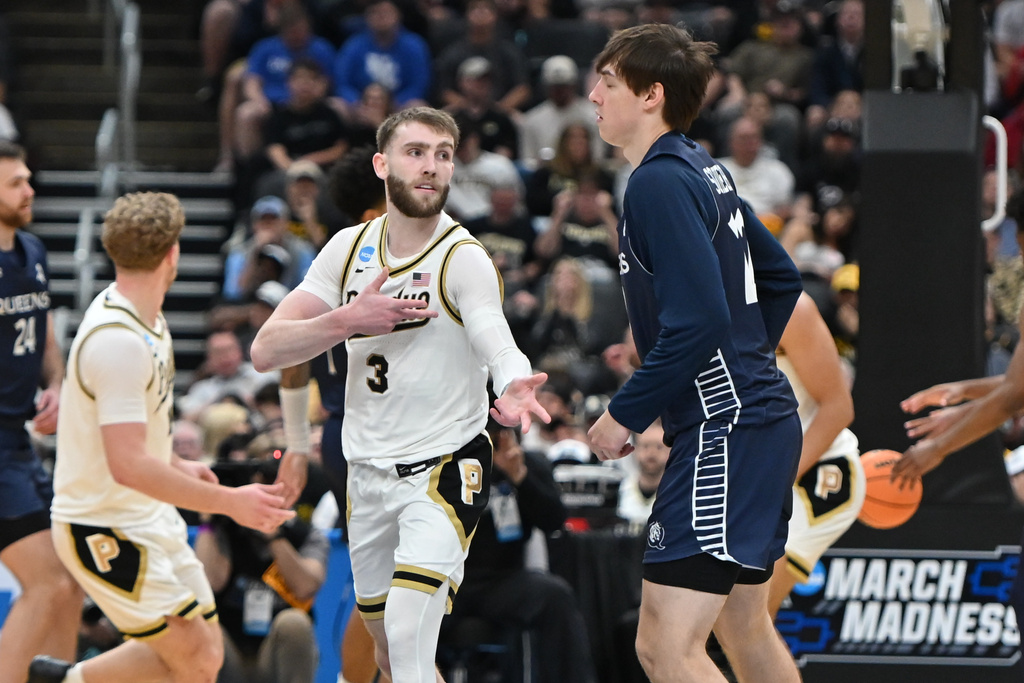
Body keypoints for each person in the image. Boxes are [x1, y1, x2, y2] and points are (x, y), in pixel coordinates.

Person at [250, 107, 550, 683]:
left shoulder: (463, 256)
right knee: (389, 654)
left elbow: (494, 332)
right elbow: (267, 351)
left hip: (443, 467)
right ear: (382, 164)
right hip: (366, 471)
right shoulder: (347, 249)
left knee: (409, 638)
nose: (431, 166)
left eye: (443, 154)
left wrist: (514, 379)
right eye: (416, 152)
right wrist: (347, 319)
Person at [584, 24, 804, 683]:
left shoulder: (657, 183)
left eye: (608, 82)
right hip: (755, 418)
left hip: (724, 429)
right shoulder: (703, 168)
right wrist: (745, 362)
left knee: (665, 647)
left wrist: (624, 412)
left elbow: (704, 317)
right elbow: (780, 277)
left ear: (651, 95)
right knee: (743, 627)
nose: (593, 95)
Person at [28, 192, 295, 683]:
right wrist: (229, 502)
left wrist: (175, 463)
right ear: (173, 253)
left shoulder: (148, 319)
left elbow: (136, 437)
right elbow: (128, 465)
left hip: (144, 514)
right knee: (192, 656)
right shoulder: (118, 341)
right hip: (102, 525)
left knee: (203, 658)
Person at [0, 140, 83, 683]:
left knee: (72, 583)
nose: (30, 190)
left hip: (20, 441)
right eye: (15, 183)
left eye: (28, 179)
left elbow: (44, 334)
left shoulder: (32, 249)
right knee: (49, 582)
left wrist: (55, 384)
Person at [440, 415, 597, 683]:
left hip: (504, 580)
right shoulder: (449, 465)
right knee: (406, 603)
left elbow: (554, 521)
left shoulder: (529, 464)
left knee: (556, 597)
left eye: (504, 436)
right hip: (451, 580)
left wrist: (519, 477)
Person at [767, 292, 863, 617]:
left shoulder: (789, 307)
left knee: (744, 620)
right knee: (721, 623)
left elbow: (839, 409)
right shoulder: (696, 301)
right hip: (756, 476)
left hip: (815, 474)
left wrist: (773, 485)